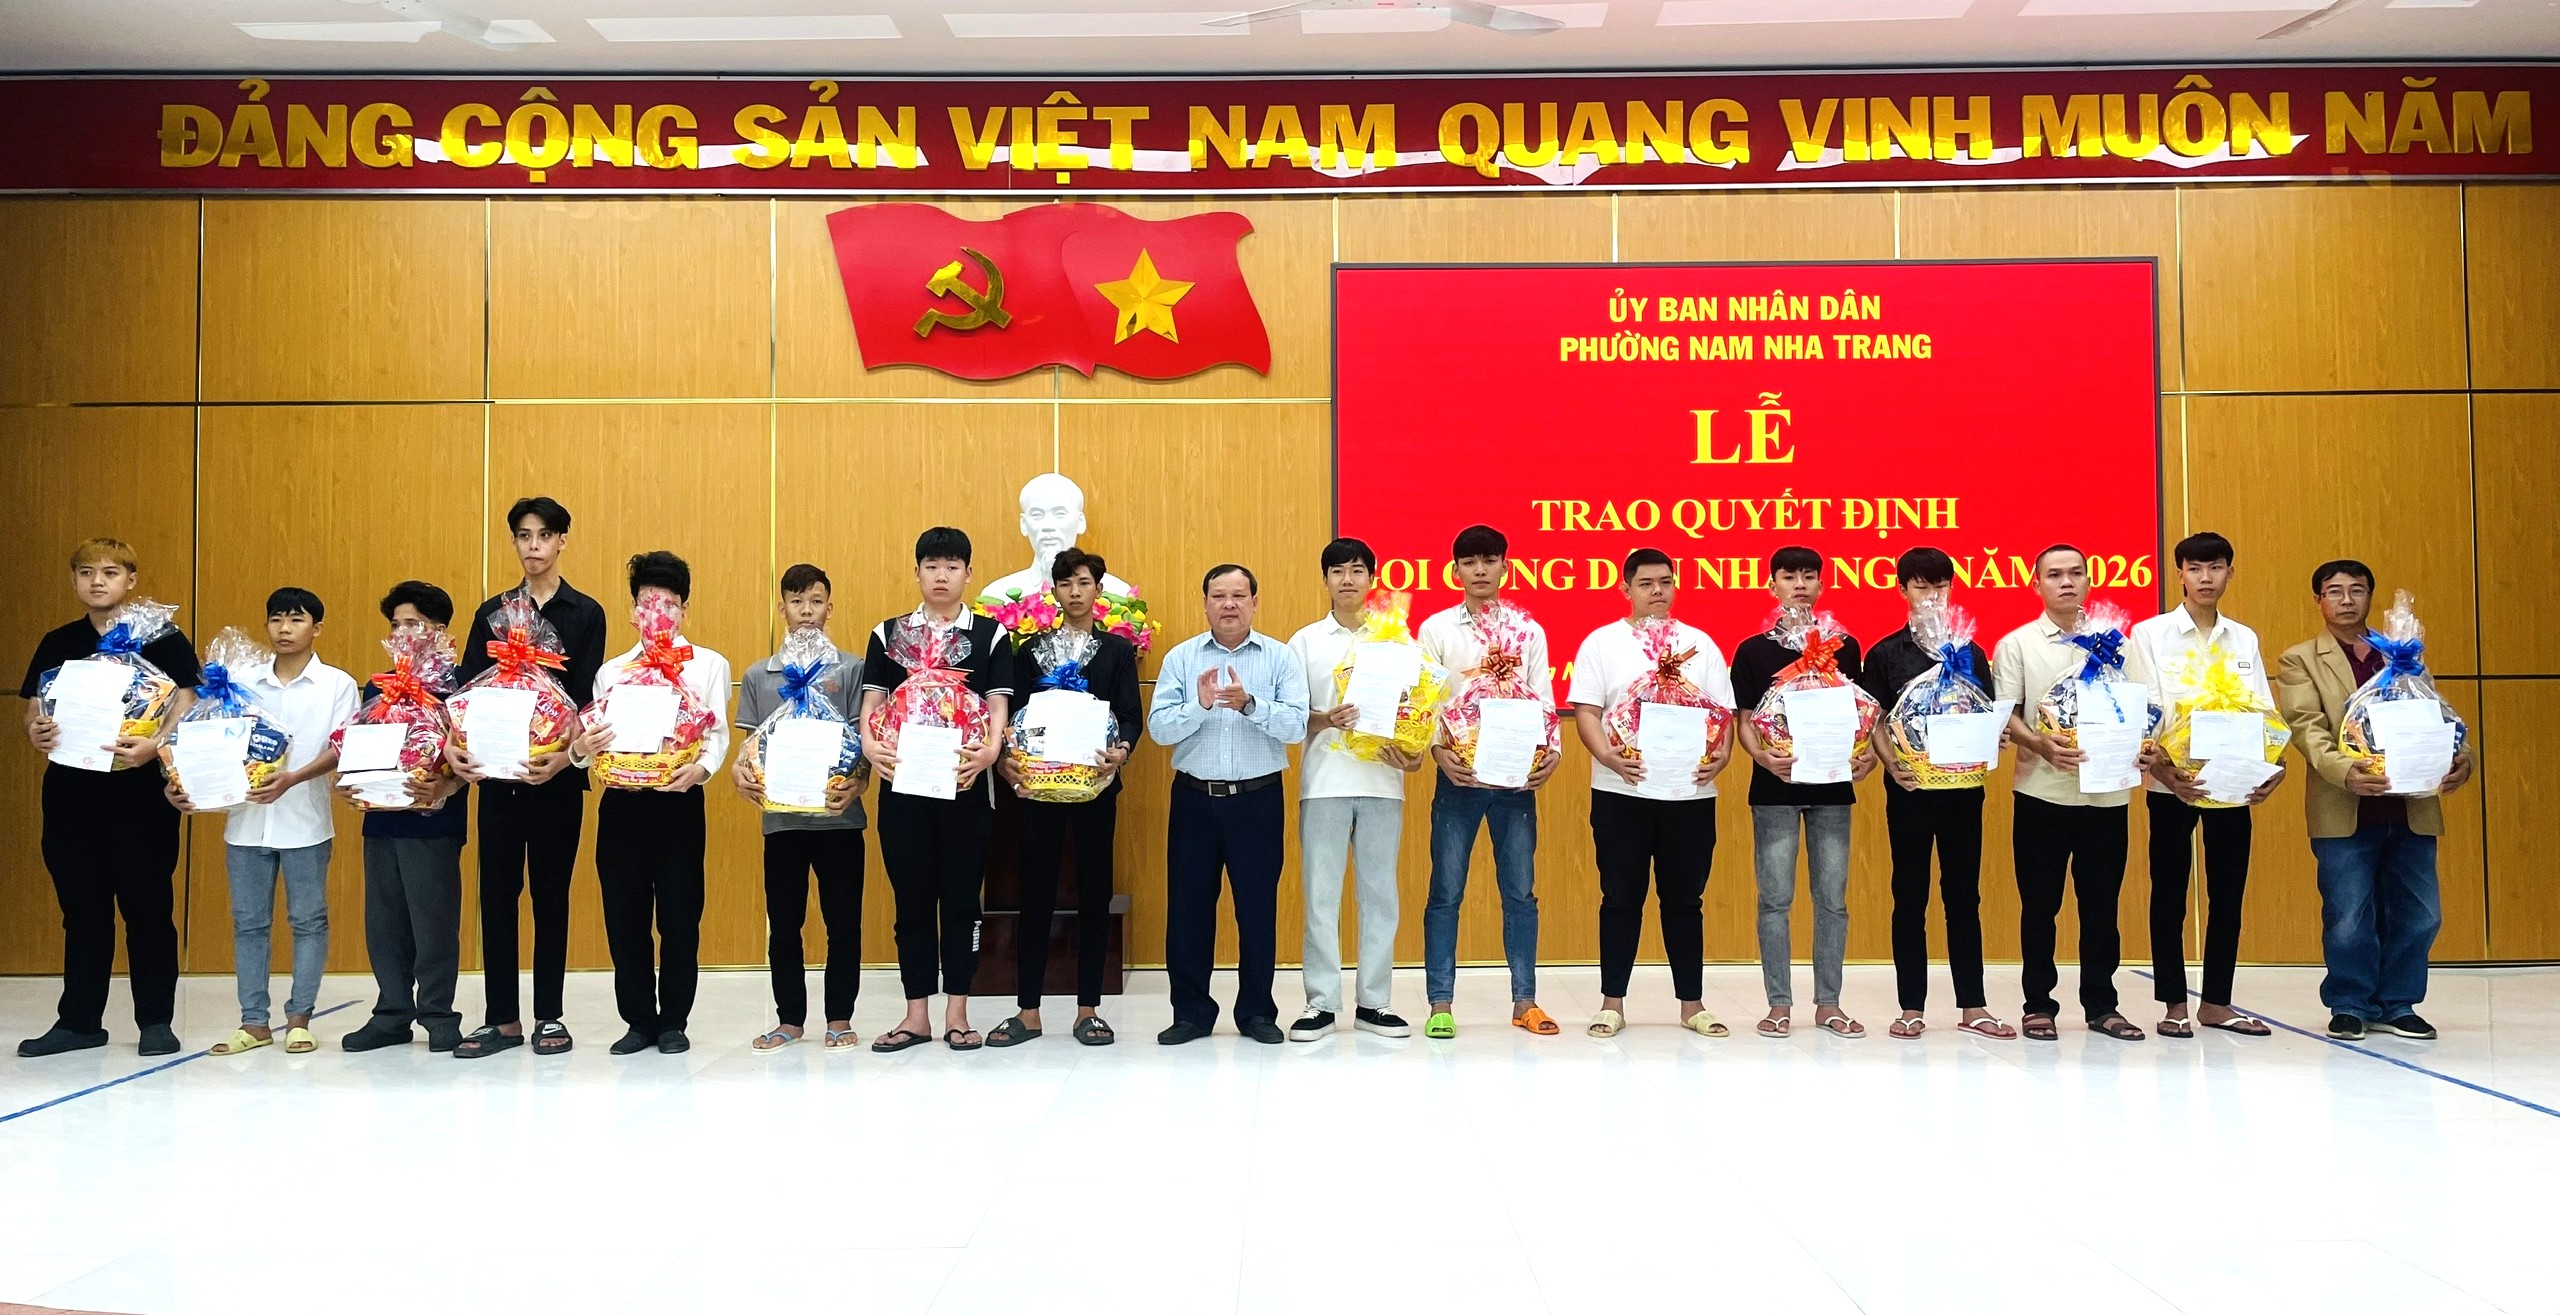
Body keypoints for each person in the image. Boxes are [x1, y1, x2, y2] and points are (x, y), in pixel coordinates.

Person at [2277, 560, 2475, 1042]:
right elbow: (2305, 727)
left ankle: (2398, 1003)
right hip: (2345, 807)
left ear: (2370, 597)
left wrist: (2462, 758)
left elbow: (2439, 718)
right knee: (2348, 916)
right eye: (2334, 591)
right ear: (2318, 600)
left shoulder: (2404, 657)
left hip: (2412, 807)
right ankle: (2349, 1003)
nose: (2346, 600)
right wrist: (2345, 772)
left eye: (2357, 590)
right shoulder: (2301, 659)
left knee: (2421, 914)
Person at [17, 538, 199, 1058]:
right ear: (75, 580)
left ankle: (156, 1022)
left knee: (148, 907)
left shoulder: (161, 638)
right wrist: (36, 730)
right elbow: (33, 707)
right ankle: (79, 1022)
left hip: (141, 796)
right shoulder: (59, 640)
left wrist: (155, 745)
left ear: (131, 580)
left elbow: (190, 699)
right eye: (86, 572)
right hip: (72, 794)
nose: (97, 581)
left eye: (110, 572)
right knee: (81, 910)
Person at [447, 496, 608, 1059]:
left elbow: (586, 697)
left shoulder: (585, 613)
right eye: (523, 535)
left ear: (562, 540)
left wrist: (565, 757)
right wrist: (456, 747)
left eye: (543, 535)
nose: (533, 546)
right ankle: (502, 1019)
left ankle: (549, 1015)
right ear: (514, 541)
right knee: (496, 895)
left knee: (551, 895)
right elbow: (466, 691)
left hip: (556, 780)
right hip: (497, 779)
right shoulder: (491, 613)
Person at [172, 588, 359, 1056]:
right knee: (249, 923)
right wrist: (184, 783)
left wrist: (293, 777)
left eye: (296, 620)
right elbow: (207, 738)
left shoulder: (337, 684)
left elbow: (341, 747)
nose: (284, 629)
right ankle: (253, 1022)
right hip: (245, 822)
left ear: (317, 628)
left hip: (306, 820)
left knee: (308, 920)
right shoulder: (239, 680)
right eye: (276, 619)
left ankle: (300, 1019)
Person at [1564, 547, 1737, 1038]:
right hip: (1621, 791)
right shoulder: (1603, 643)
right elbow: (1587, 711)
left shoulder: (1700, 644)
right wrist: (1608, 757)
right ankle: (1611, 1003)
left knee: (1685, 900)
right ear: (1626, 588)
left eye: (1665, 581)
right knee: (1620, 897)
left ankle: (1693, 1005)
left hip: (1689, 795)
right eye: (1645, 583)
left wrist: (1722, 755)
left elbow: (1723, 714)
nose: (1657, 591)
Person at [1993, 544, 2160, 1043]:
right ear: (2036, 584)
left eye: (2075, 573)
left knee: (2102, 908)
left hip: (2107, 797)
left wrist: (2145, 746)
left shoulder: (2118, 643)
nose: (2066, 582)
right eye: (2054, 574)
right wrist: (2040, 745)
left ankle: (2102, 1006)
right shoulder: (2018, 644)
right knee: (2039, 907)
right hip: (2041, 794)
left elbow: (2148, 706)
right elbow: (2007, 714)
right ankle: (2038, 1005)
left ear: (2089, 580)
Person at [860, 527, 1016, 1054]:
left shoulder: (990, 634)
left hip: (964, 784)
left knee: (962, 902)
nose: (941, 576)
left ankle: (958, 1013)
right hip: (903, 785)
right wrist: (870, 744)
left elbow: (997, 704)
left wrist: (991, 749)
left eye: (952, 566)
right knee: (911, 902)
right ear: (917, 573)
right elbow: (873, 705)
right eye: (931, 566)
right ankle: (915, 1015)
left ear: (969, 573)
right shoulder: (888, 633)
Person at [571, 552, 730, 1056]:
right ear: (633, 610)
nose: (657, 611)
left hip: (678, 802)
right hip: (622, 806)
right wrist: (581, 750)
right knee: (625, 915)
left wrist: (700, 771)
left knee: (681, 915)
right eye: (646, 602)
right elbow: (591, 744)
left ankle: (674, 1019)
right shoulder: (612, 671)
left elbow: (716, 735)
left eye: (668, 603)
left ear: (684, 609)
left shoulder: (707, 664)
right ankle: (638, 1020)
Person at [1147, 563, 1308, 1046]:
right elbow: (1159, 730)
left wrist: (1250, 705)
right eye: (1219, 596)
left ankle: (1257, 1011)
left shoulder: (1279, 658)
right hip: (1195, 800)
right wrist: (1199, 707)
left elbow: (1297, 727)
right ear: (1205, 604)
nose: (1229, 604)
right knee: (1188, 909)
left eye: (1239, 595)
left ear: (1255, 603)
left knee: (1256, 910)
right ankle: (1191, 1013)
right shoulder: (1181, 658)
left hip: (1257, 800)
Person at [1856, 548, 2013, 1040]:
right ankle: (1911, 1007)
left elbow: (1987, 711)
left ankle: (1973, 1005)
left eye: (1940, 586)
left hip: (1963, 791)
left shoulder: (1971, 651)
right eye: (1921, 586)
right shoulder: (1885, 653)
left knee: (1964, 895)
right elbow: (1874, 719)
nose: (1931, 595)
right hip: (1910, 789)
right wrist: (1892, 764)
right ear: (1902, 589)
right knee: (1909, 895)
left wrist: (1992, 739)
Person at [2131, 531, 2283, 1038]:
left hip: (2232, 784)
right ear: (2180, 574)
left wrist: (2272, 768)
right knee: (2169, 895)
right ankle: (2174, 1004)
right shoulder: (2150, 634)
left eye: (2215, 567)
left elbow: (2262, 709)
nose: (2205, 578)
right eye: (2195, 568)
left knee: (2228, 895)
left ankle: (2217, 1002)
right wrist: (2165, 773)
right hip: (2171, 786)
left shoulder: (2244, 638)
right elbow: (2146, 710)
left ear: (2229, 573)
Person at [991, 547, 1143, 1048]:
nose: (1075, 592)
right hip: (1038, 791)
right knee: (1035, 894)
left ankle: (1088, 1010)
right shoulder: (1030, 651)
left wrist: (1120, 752)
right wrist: (1008, 760)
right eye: (1065, 584)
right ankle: (1028, 1011)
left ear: (1099, 589)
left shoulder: (1117, 651)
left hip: (1096, 788)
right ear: (1053, 592)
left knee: (1095, 894)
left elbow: (1130, 716)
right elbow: (1012, 716)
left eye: (1083, 582)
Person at [1416, 524, 1561, 1040]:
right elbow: (1425, 700)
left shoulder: (1528, 630)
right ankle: (1440, 1003)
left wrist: (1552, 752)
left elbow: (1543, 697)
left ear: (1505, 566)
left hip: (1515, 780)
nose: (1480, 570)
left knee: (1520, 893)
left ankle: (1525, 1001)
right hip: (1459, 777)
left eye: (1490, 560)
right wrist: (1437, 751)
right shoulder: (1437, 630)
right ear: (1455, 570)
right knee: (1445, 892)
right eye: (1470, 562)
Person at [1729, 546, 1874, 1039]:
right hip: (1776, 788)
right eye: (1789, 576)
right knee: (1775, 900)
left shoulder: (1844, 646)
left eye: (1809, 576)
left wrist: (1866, 756)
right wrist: (1762, 757)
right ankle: (1778, 1004)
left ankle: (1829, 1003)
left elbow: (1861, 715)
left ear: (1821, 585)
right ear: (1772, 585)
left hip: (1832, 787)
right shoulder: (1753, 650)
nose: (1799, 585)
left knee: (1832, 899)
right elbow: (1745, 720)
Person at [1284, 538, 1422, 1041]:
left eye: (1357, 570)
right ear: (1325, 579)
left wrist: (1414, 754)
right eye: (1338, 571)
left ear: (1372, 578)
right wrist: (1326, 718)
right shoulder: (1304, 642)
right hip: (1324, 783)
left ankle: (1375, 1002)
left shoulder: (1398, 641)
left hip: (1383, 782)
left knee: (1379, 895)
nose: (1348, 579)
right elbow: (1290, 717)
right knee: (1321, 896)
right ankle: (1320, 1002)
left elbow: (1416, 712)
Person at [734, 564, 867, 1053]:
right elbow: (750, 749)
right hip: (782, 823)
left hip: (839, 821)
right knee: (785, 925)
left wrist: (859, 784)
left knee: (843, 924)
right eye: (796, 601)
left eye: (815, 601)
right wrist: (738, 774)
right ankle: (789, 1019)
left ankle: (840, 1017)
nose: (806, 610)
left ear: (830, 607)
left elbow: (864, 743)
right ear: (782, 608)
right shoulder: (759, 674)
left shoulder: (852, 670)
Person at [339, 582, 471, 1054]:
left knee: (432, 922)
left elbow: (474, 753)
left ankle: (438, 1013)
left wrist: (447, 786)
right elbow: (357, 742)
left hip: (434, 821)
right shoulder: (380, 685)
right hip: (380, 819)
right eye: (395, 625)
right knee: (384, 922)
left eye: (413, 623)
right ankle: (392, 1013)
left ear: (439, 630)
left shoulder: (459, 684)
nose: (402, 633)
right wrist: (352, 780)